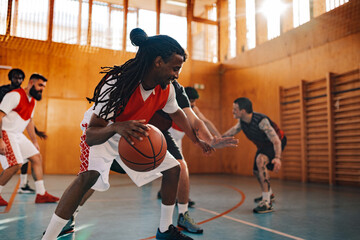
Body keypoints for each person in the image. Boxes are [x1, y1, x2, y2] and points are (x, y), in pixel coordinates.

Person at [42, 28, 214, 240]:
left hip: (131, 132)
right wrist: (115, 127)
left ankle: (164, 230)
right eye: (175, 68)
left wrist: (196, 140)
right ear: (158, 61)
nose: (177, 75)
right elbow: (92, 135)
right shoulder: (118, 84)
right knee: (89, 177)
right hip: (103, 129)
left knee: (173, 168)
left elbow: (177, 113)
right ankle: (49, 237)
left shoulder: (166, 88)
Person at [0, 73, 59, 206]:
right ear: (31, 83)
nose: (42, 89)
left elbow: (29, 122)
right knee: (15, 165)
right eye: (40, 85)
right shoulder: (14, 95)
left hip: (17, 134)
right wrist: (0, 139)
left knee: (36, 158)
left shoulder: (32, 101)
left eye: (43, 87)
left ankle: (41, 194)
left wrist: (34, 141)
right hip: (5, 132)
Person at [222, 97, 287, 214]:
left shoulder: (261, 121)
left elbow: (276, 141)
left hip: (276, 142)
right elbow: (232, 131)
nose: (232, 111)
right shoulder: (242, 122)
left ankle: (267, 202)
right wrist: (216, 140)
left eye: (235, 109)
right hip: (264, 145)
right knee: (256, 171)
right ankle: (269, 193)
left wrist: (277, 158)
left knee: (260, 160)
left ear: (243, 111)